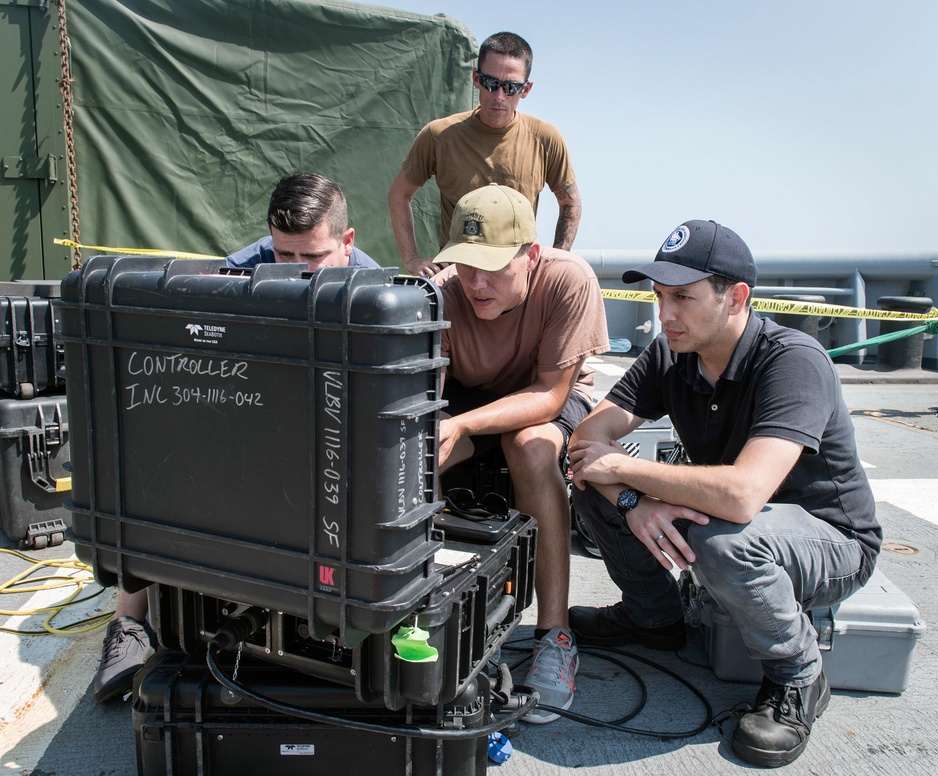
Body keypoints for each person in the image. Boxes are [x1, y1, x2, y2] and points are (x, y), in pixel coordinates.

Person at [567, 220, 882, 766]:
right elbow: (587, 440)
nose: (665, 315)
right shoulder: (671, 355)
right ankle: (653, 619)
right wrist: (632, 500)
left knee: (723, 540)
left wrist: (625, 471)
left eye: (683, 298)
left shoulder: (792, 360)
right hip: (732, 519)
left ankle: (799, 677)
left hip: (832, 541)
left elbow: (741, 496)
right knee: (596, 491)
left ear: (736, 297)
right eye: (660, 296)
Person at [92, 172, 378, 703]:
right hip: (246, 423)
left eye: (309, 259)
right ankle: (131, 625)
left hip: (328, 441)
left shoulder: (378, 294)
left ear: (347, 242)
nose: (292, 272)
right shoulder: (236, 273)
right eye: (282, 255)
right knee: (149, 459)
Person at [432, 184, 608, 723]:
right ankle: (426, 616)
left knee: (530, 449)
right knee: (410, 456)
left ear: (530, 255)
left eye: (492, 267)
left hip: (546, 391)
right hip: (465, 395)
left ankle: (555, 636)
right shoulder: (438, 292)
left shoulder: (567, 279)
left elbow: (551, 394)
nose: (476, 283)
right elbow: (423, 397)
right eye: (465, 266)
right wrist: (439, 433)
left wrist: (460, 424)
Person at [388, 31, 581, 279]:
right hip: (457, 277)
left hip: (516, 279)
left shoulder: (545, 138)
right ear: (476, 79)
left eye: (511, 87)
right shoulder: (439, 135)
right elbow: (399, 194)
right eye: (491, 83)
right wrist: (413, 259)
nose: (499, 96)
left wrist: (556, 262)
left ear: (526, 89)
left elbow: (570, 203)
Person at [227, 171, 379, 271]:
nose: (298, 268)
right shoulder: (246, 266)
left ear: (347, 242)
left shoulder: (376, 291)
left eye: (313, 256)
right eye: (285, 255)